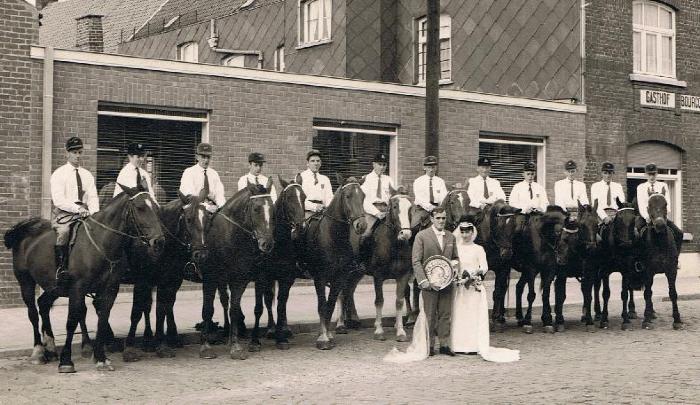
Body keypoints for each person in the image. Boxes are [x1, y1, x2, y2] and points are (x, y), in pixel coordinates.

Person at [449, 222, 520, 362]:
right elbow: (454, 264)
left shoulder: (479, 249)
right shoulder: (456, 248)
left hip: (473, 285)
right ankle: (458, 344)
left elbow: (484, 266)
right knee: (460, 314)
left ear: (472, 233)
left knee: (473, 314)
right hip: (460, 288)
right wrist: (457, 274)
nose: (465, 235)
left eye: (467, 232)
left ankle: (474, 345)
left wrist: (474, 274)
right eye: (462, 232)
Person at [50, 136, 99, 286]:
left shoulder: (87, 175)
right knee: (64, 232)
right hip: (64, 213)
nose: (77, 156)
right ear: (67, 153)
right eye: (74, 152)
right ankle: (61, 267)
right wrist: (77, 208)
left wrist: (95, 213)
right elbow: (59, 200)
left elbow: (92, 196)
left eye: (79, 152)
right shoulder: (59, 174)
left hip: (84, 213)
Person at [635, 163, 683, 246]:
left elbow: (667, 203)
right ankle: (638, 258)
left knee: (679, 233)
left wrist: (663, 217)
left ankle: (675, 257)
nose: (652, 177)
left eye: (653, 174)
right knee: (634, 235)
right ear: (645, 175)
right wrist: (646, 216)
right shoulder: (641, 187)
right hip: (646, 218)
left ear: (657, 174)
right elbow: (641, 204)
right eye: (649, 174)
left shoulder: (663, 185)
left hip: (661, 217)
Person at [179, 142, 225, 213]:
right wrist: (207, 207)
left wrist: (221, 207)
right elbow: (190, 197)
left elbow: (219, 194)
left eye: (208, 157)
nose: (206, 160)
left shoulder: (214, 174)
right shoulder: (189, 172)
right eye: (203, 157)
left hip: (213, 209)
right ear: (197, 157)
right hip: (195, 210)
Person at [360, 152, 395, 241]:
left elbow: (393, 197)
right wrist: (377, 213)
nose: (382, 167)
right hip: (372, 211)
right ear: (374, 164)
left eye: (384, 165)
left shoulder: (389, 179)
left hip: (387, 210)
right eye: (379, 164)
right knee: (365, 234)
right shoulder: (366, 179)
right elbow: (364, 201)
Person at [412, 155, 447, 229]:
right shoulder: (418, 181)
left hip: (438, 209)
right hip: (422, 209)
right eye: (429, 167)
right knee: (414, 226)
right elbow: (419, 198)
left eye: (433, 167)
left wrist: (440, 208)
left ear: (436, 168)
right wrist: (431, 207)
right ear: (424, 168)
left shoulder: (440, 181)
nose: (431, 170)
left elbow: (444, 196)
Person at [299, 149, 333, 219]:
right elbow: (299, 200)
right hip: (306, 212)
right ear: (307, 163)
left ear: (320, 163)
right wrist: (315, 207)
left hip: (323, 213)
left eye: (318, 161)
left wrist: (327, 207)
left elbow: (329, 197)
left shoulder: (325, 179)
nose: (316, 163)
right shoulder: (301, 177)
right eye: (312, 161)